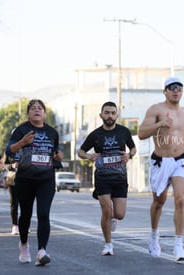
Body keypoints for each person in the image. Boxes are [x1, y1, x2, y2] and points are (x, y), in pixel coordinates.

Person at [138, 76, 184, 261]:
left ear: (182, 91)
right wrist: (160, 124)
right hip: (161, 160)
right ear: (165, 91)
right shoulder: (156, 109)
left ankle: (178, 245)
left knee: (181, 199)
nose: (176, 90)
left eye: (179, 88)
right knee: (159, 201)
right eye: (172, 87)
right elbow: (141, 133)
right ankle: (153, 236)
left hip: (181, 160)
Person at [6, 99, 63, 266]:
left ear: (44, 113)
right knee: (25, 215)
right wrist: (22, 142)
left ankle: (42, 251)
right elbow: (9, 150)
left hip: (46, 179)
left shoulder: (52, 132)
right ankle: (24, 245)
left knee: (44, 214)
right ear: (28, 113)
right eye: (33, 108)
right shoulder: (21, 130)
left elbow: (57, 151)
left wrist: (59, 155)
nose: (37, 110)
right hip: (25, 179)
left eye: (40, 108)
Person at [77, 101, 136, 256]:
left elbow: (133, 148)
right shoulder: (96, 134)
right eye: (107, 112)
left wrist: (129, 155)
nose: (110, 116)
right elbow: (80, 151)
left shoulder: (124, 131)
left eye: (112, 113)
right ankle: (108, 244)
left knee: (120, 214)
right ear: (101, 115)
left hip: (120, 177)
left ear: (117, 115)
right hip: (102, 177)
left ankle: (113, 220)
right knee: (107, 210)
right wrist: (89, 155)